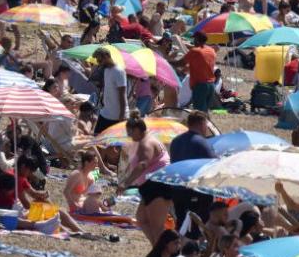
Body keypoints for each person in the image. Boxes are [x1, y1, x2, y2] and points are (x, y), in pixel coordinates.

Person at [118, 111, 172, 245]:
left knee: (157, 226)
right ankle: (157, 248)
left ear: (137, 129)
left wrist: (125, 183)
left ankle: (162, 253)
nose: (128, 135)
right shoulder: (144, 140)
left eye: (129, 132)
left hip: (158, 186)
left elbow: (142, 165)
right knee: (141, 218)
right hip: (150, 186)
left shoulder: (146, 143)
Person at [93, 47, 127, 134]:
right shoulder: (106, 70)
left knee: (115, 145)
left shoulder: (119, 71)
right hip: (105, 112)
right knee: (97, 139)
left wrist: (122, 116)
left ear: (107, 56)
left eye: (100, 61)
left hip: (116, 116)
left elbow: (122, 95)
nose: (99, 64)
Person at [184, 32, 217, 112]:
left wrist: (168, 61)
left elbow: (180, 63)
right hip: (211, 85)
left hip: (200, 86)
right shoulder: (211, 51)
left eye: (194, 39)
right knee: (204, 113)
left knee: (199, 114)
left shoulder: (195, 51)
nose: (193, 41)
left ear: (197, 40)